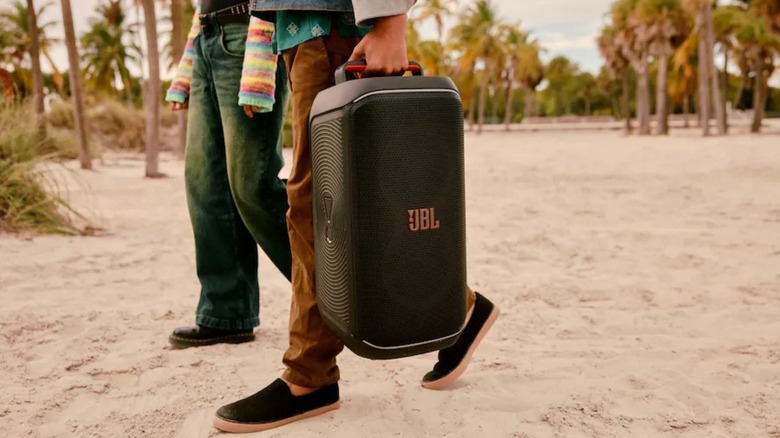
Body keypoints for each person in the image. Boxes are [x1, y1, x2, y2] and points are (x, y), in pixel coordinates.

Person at [212, 1, 501, 433]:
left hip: (332, 26)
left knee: (320, 204)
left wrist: (391, 21)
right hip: (301, 31)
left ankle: (309, 377)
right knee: (321, 200)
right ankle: (459, 308)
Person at [165, 0, 292, 348]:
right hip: (209, 37)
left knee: (254, 187)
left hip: (249, 37)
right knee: (206, 184)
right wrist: (188, 65)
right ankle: (227, 311)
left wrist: (262, 59)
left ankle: (342, 291)